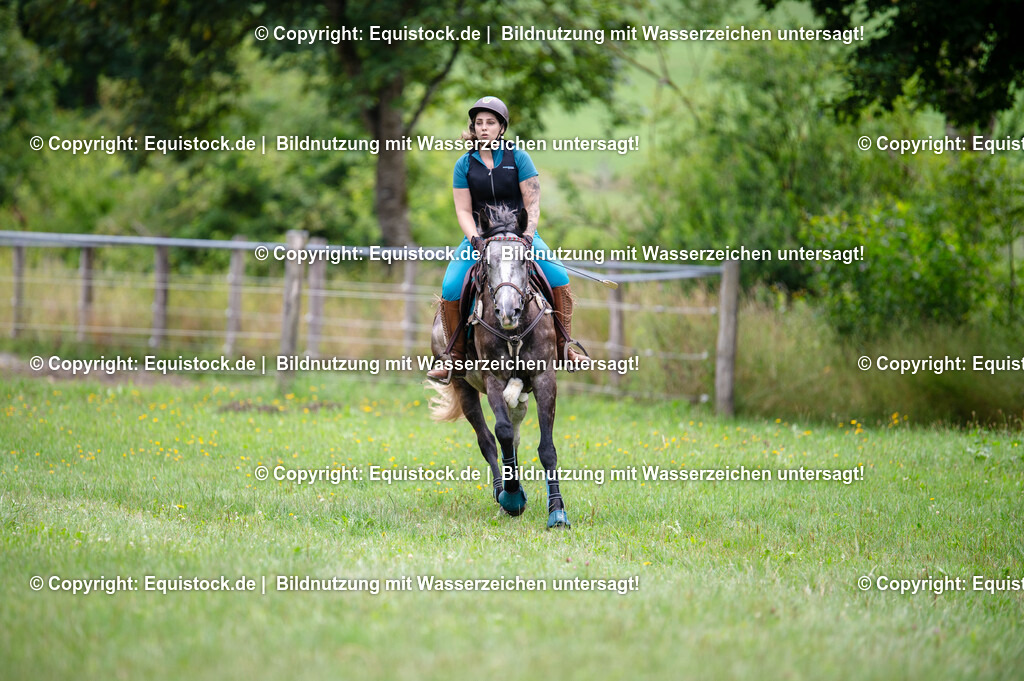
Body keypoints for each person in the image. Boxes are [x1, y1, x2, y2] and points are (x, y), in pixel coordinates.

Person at [427, 96, 587, 381]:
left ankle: (565, 348)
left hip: (521, 236)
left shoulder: (519, 158)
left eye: (490, 122)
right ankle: (455, 358)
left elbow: (533, 204)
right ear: (473, 128)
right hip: (480, 239)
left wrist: (527, 236)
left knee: (559, 277)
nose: (484, 128)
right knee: (451, 286)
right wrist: (475, 238)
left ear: (501, 127)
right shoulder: (464, 165)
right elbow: (463, 210)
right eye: (479, 123)